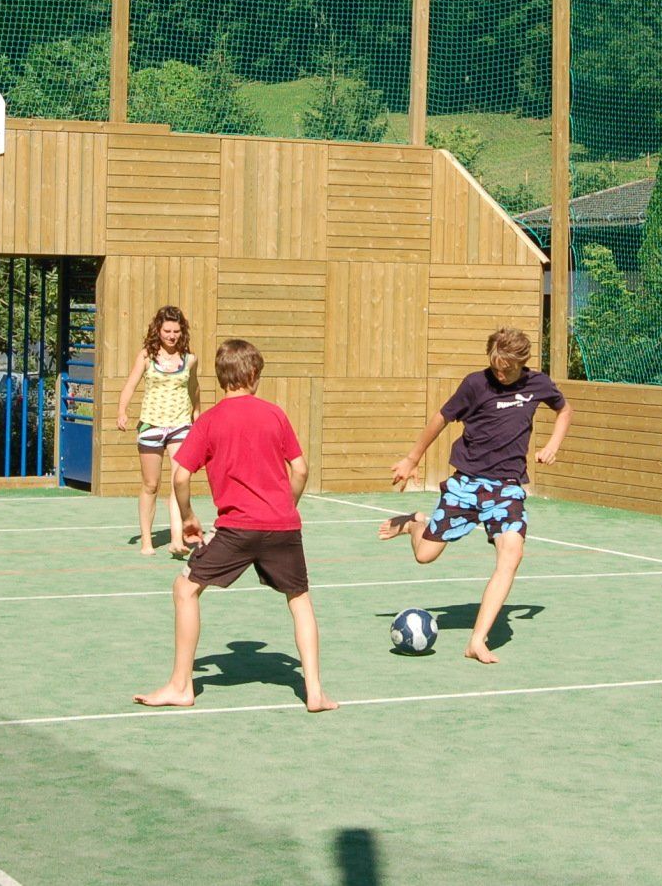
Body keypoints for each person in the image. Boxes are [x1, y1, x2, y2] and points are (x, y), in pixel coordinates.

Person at [134, 339, 337, 713]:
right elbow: (301, 470)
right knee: (299, 599)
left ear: (219, 376)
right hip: (283, 527)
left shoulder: (209, 420)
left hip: (237, 529)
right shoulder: (275, 414)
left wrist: (189, 517)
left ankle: (181, 686)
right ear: (254, 374)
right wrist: (285, 508)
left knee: (185, 589)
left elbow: (180, 476)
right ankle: (315, 692)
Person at [379, 327, 571, 664]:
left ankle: (477, 641)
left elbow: (564, 410)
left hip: (507, 488)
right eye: (495, 366)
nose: (499, 374)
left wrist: (553, 445)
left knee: (511, 555)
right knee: (425, 555)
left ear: (521, 362)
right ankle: (415, 523)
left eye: (506, 369)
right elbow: (440, 418)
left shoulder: (538, 384)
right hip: (466, 484)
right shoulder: (475, 384)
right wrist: (412, 459)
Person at [115, 305, 199, 558]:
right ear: (158, 331)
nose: (172, 336)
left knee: (178, 482)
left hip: (180, 425)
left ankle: (176, 539)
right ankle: (146, 540)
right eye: (167, 331)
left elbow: (194, 388)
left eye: (176, 331)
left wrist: (197, 415)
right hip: (151, 424)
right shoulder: (146, 356)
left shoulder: (189, 359)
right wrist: (122, 410)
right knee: (151, 484)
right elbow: (130, 385)